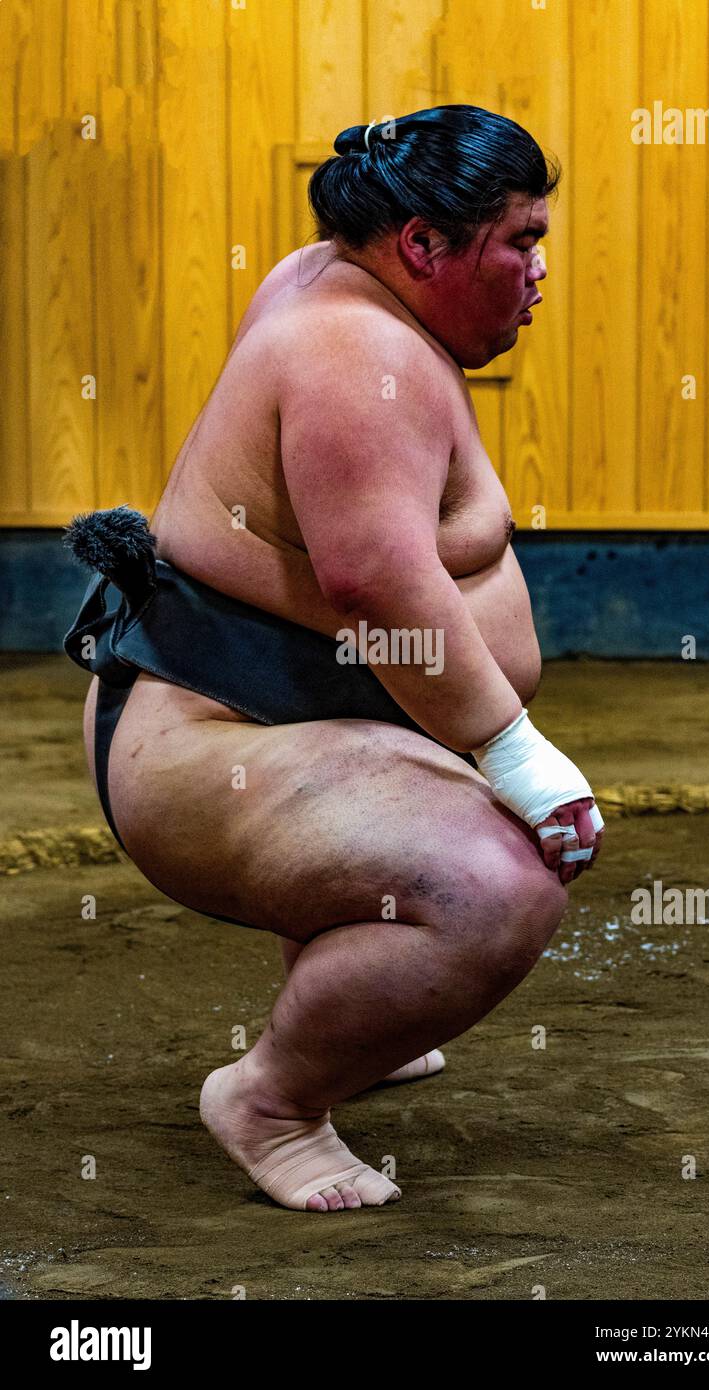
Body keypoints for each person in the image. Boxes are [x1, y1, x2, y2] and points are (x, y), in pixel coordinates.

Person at [65, 105, 604, 1213]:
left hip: (252, 711)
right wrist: (516, 752)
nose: (538, 271)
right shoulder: (355, 350)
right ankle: (270, 1101)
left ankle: (359, 1009)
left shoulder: (332, 283)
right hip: (206, 738)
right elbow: (373, 583)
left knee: (458, 857)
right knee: (498, 887)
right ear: (422, 244)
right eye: (521, 241)